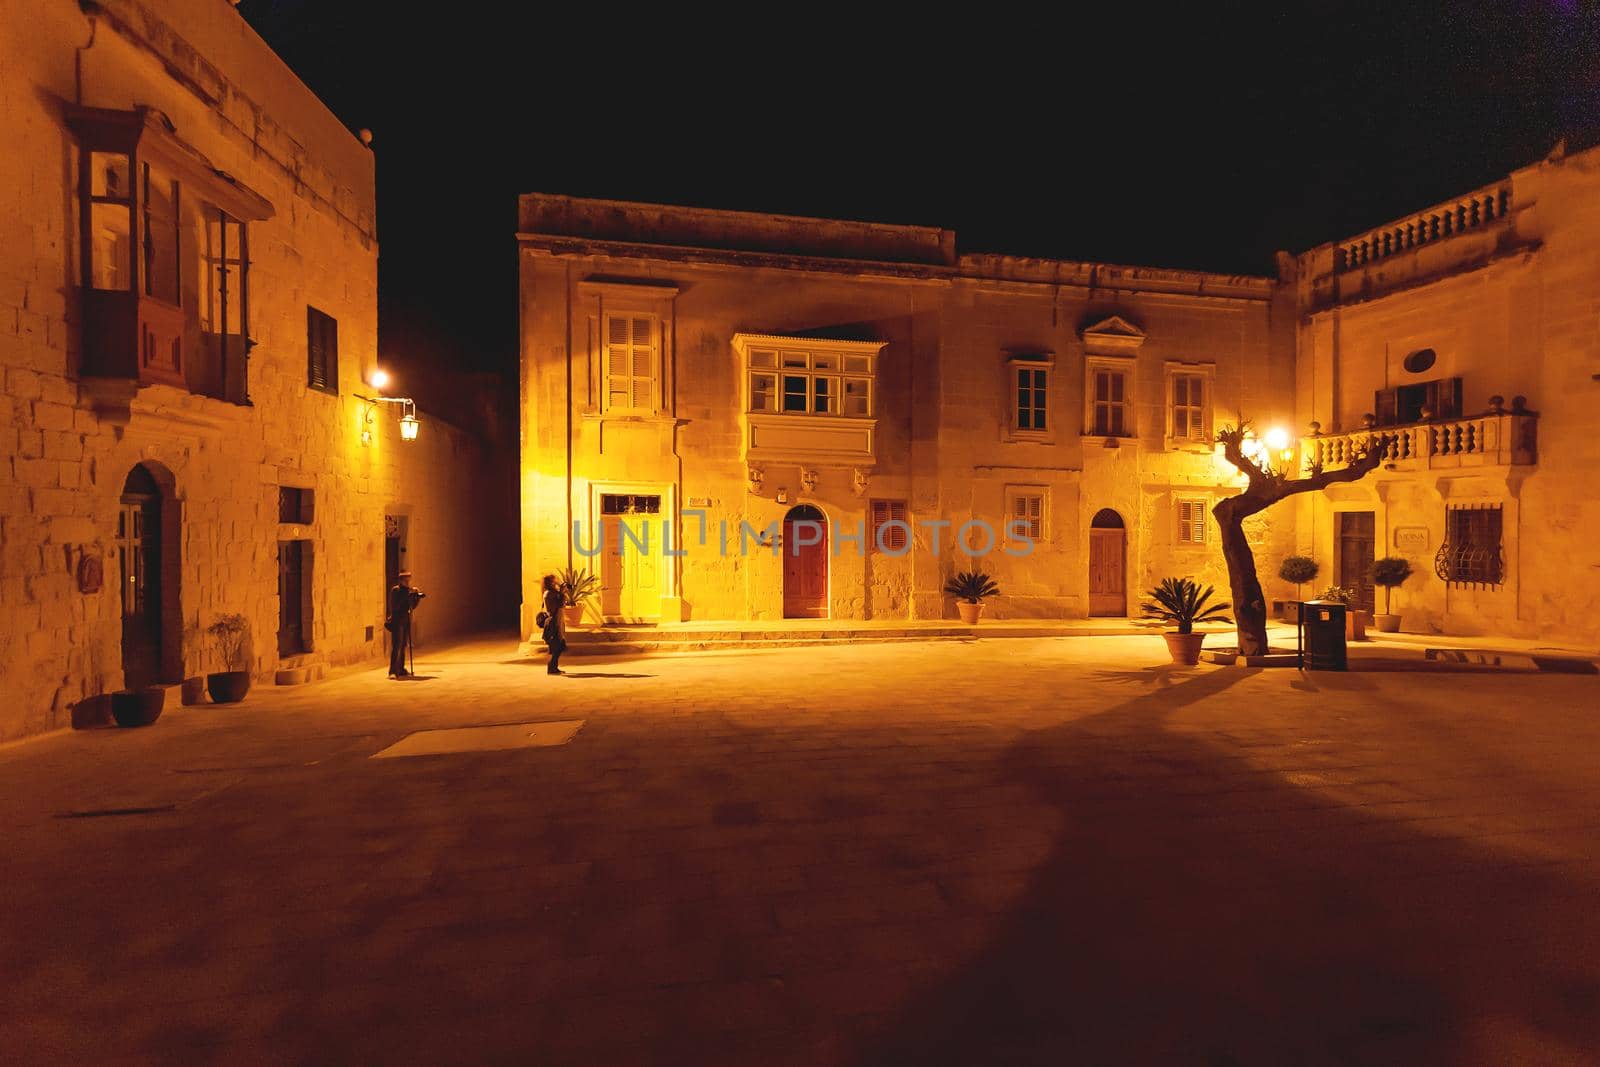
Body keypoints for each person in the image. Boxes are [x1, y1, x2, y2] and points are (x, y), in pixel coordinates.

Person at [386, 570, 422, 678]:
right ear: (401, 580)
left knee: (402, 645)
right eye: (405, 580)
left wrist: (416, 597)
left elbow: (412, 606)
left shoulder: (408, 591)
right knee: (397, 645)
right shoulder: (396, 590)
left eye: (408, 579)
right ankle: (392, 670)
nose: (408, 582)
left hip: (405, 621)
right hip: (397, 621)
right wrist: (408, 594)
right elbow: (396, 606)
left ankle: (400, 669)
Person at [541, 573, 567, 675]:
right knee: (558, 646)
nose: (556, 582)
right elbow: (559, 605)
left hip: (557, 621)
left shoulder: (552, 592)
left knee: (559, 645)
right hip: (553, 622)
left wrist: (560, 592)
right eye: (554, 581)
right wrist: (561, 593)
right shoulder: (549, 594)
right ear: (550, 582)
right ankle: (551, 667)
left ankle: (554, 667)